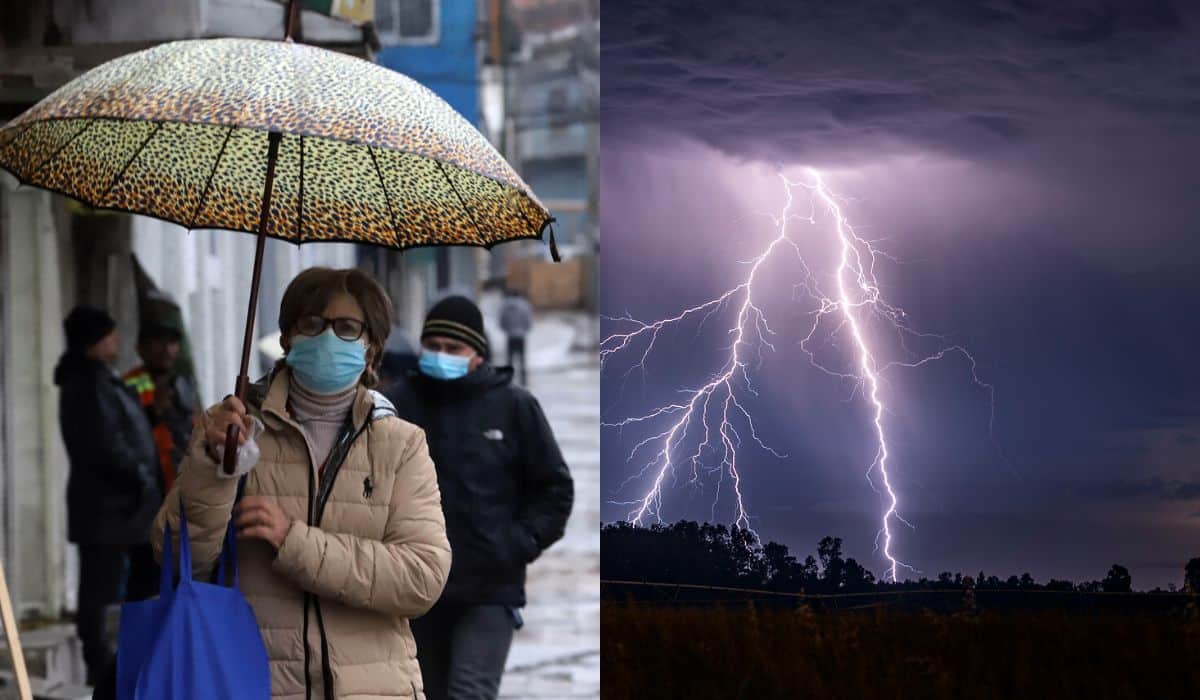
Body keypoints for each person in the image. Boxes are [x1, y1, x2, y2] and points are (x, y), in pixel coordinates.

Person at [150, 268, 451, 699]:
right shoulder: (232, 427)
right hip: (250, 681)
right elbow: (177, 559)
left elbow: (421, 578)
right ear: (288, 338)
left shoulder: (401, 444)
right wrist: (213, 470)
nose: (327, 338)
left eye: (347, 328)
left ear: (372, 347)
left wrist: (294, 542)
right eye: (312, 324)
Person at [386, 295, 574, 700]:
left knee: (469, 693)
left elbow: (555, 489)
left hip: (489, 589)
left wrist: (516, 543)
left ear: (477, 354)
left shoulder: (514, 407)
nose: (441, 355)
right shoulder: (399, 404)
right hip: (416, 589)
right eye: (432, 346)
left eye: (453, 349)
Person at [53, 306, 160, 686]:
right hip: (108, 508)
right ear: (93, 342)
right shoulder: (87, 384)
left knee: (133, 586)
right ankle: (101, 665)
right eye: (109, 335)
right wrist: (141, 475)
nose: (116, 340)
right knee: (100, 590)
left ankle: (126, 659)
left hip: (124, 509)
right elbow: (106, 445)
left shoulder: (102, 379)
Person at [121, 320, 201, 600]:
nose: (167, 350)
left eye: (172, 343)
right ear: (141, 348)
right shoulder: (131, 383)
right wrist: (156, 409)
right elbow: (129, 432)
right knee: (145, 570)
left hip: (179, 485)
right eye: (159, 342)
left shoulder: (183, 382)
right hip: (146, 491)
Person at [498, 287, 533, 385]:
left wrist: (506, 329)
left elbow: (501, 319)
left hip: (510, 336)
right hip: (521, 336)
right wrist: (524, 330)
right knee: (522, 359)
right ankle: (523, 381)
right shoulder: (525, 305)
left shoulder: (506, 305)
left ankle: (509, 380)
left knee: (509, 360)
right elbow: (528, 320)